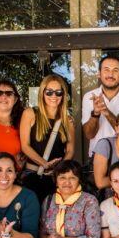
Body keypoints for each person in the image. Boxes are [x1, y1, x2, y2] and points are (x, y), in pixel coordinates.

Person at [19, 74, 75, 204]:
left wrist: (59, 170)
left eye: (58, 92)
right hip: (32, 175)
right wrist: (44, 164)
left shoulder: (68, 120)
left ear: (63, 95)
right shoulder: (30, 113)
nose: (53, 96)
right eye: (49, 92)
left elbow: (70, 150)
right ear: (42, 93)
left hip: (56, 178)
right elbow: (25, 146)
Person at [81, 56, 119, 158]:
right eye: (106, 70)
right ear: (99, 73)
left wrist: (106, 111)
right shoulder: (89, 96)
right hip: (97, 157)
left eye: (115, 70)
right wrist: (96, 113)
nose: (110, 74)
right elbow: (89, 135)